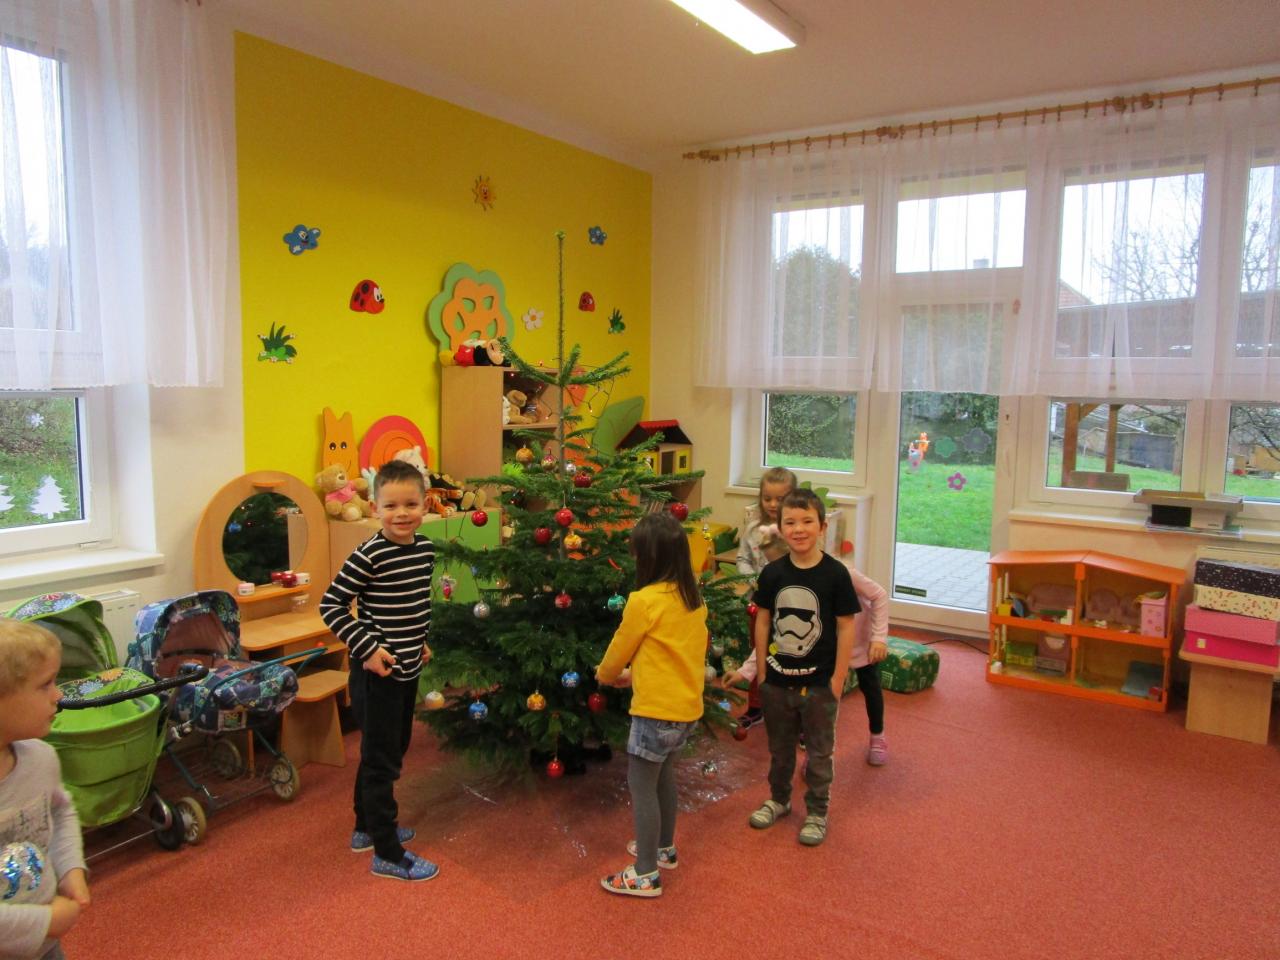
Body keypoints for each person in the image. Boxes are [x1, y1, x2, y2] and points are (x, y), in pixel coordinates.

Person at [320, 459, 438, 882]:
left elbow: (414, 604)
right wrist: (368, 650)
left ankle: (365, 828)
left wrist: (419, 640)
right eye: (391, 506)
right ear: (375, 508)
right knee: (381, 761)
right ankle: (387, 853)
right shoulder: (368, 554)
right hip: (377, 674)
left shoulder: (425, 549)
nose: (401, 514)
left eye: (410, 504)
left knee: (390, 748)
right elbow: (331, 606)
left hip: (408, 667)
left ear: (426, 505)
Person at [595, 512, 708, 898]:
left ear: (647, 558)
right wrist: (636, 674)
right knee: (664, 778)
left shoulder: (643, 601)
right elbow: (675, 653)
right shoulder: (692, 598)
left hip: (654, 711)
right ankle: (664, 848)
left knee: (641, 786)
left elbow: (620, 647)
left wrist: (607, 674)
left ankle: (645, 873)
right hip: (685, 709)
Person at [747, 488, 859, 847]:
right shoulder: (773, 573)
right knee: (779, 750)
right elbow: (764, 620)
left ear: (822, 527)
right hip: (777, 682)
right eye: (790, 522)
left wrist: (838, 677)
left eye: (807, 521)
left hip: (820, 684)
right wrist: (762, 671)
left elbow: (846, 626)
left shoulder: (836, 575)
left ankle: (817, 812)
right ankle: (779, 800)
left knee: (819, 753)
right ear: (780, 528)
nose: (799, 529)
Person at [724, 562, 891, 764]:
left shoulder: (840, 573)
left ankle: (877, 736)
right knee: (821, 701)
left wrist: (878, 638)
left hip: (859, 643)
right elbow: (775, 640)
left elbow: (879, 595)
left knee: (870, 686)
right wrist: (745, 671)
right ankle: (816, 754)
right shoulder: (788, 591)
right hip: (823, 650)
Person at [0, 619, 90, 959]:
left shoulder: (41, 759)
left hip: (45, 947)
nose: (59, 695)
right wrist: (45, 921)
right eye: (45, 685)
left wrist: (70, 867)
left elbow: (60, 810)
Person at [734, 467, 797, 728]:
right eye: (767, 498)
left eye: (780, 499)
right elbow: (742, 559)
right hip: (758, 604)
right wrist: (753, 579)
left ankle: (795, 714)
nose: (772, 504)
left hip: (789, 606)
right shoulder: (752, 530)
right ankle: (756, 705)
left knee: (789, 656)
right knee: (758, 653)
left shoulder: (795, 531)